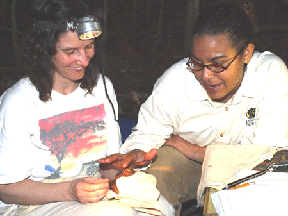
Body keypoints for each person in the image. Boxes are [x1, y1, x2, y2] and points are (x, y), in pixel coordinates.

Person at [99, 2, 288, 216]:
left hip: (247, 173)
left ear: (246, 53)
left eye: (218, 64)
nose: (206, 75)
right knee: (149, 185)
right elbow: (148, 133)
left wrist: (195, 151)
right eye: (197, 63)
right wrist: (136, 152)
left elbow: (266, 156)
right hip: (186, 164)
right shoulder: (177, 80)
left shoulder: (270, 73)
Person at [0, 0, 174, 215]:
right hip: (34, 204)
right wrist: (70, 190)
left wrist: (124, 164)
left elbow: (106, 168)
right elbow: (6, 189)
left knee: (161, 208)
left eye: (88, 47)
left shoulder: (101, 87)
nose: (83, 60)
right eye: (70, 51)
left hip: (91, 195)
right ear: (44, 50)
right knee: (114, 213)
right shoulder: (19, 102)